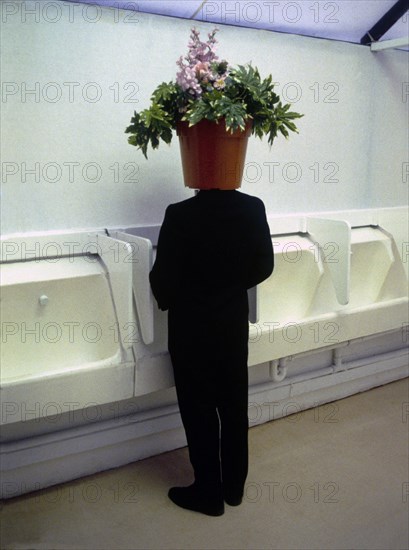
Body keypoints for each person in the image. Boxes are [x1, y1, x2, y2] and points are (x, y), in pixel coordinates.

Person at [149, 188, 274, 517]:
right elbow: (265, 265)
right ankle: (234, 488)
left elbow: (163, 279)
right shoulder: (253, 206)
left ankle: (208, 492)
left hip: (191, 326)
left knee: (198, 409)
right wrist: (229, 285)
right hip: (232, 323)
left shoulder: (179, 214)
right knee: (234, 406)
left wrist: (177, 295)